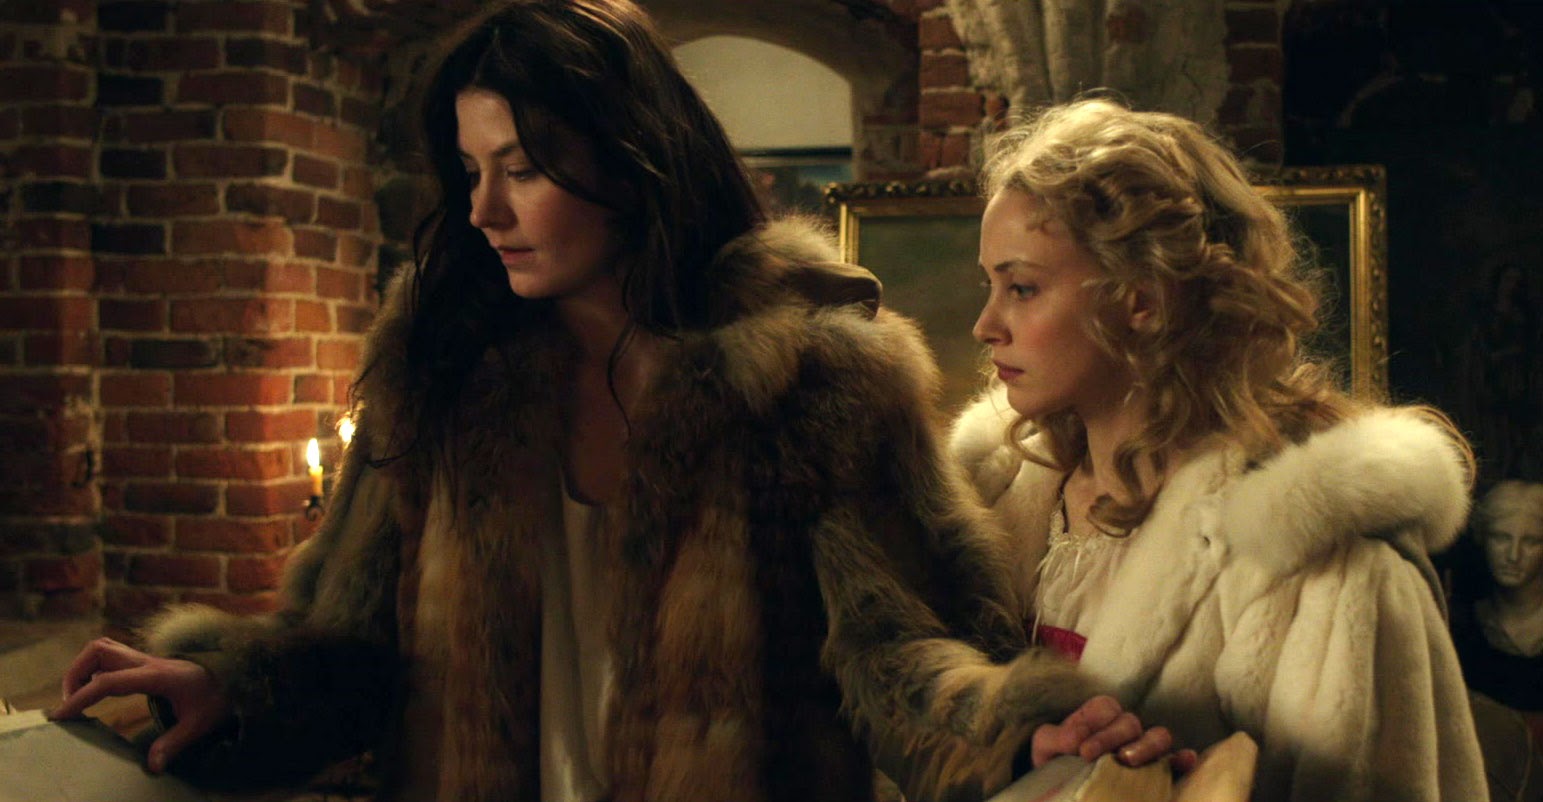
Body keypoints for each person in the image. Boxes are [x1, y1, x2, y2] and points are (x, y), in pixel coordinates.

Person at [48, 4, 1175, 801]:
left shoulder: (806, 376)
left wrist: (1017, 731)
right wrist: (230, 684)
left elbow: (896, 657)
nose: (484, 210)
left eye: (522, 168)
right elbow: (348, 645)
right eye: (470, 171)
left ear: (634, 161)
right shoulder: (438, 366)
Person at [950, 97, 1489, 802]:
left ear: (1141, 299)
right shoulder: (992, 499)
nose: (986, 325)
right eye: (990, 285)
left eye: (1022, 287)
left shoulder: (1316, 558)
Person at [1452, 480, 1543, 712]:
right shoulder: (1464, 625)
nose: (1513, 555)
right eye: (1501, 538)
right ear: (1483, 539)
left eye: (1531, 541)